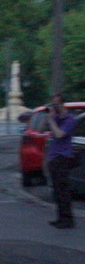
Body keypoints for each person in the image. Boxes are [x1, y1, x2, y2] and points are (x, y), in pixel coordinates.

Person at [45, 93, 76, 229]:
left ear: (63, 104)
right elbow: (41, 128)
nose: (55, 107)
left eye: (56, 104)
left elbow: (59, 134)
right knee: (57, 190)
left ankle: (68, 219)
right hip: (53, 158)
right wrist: (48, 116)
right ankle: (60, 217)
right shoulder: (56, 118)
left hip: (62, 158)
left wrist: (52, 121)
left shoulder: (70, 119)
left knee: (63, 190)